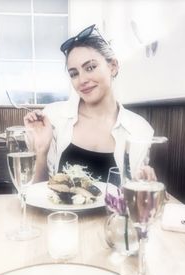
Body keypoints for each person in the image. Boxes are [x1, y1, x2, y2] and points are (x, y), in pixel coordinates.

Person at [24, 24, 154, 183]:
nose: (82, 80)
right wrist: (41, 151)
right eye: (74, 73)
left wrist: (147, 185)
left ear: (113, 66)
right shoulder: (52, 117)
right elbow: (39, 195)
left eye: (90, 67)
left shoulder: (140, 130)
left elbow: (135, 196)